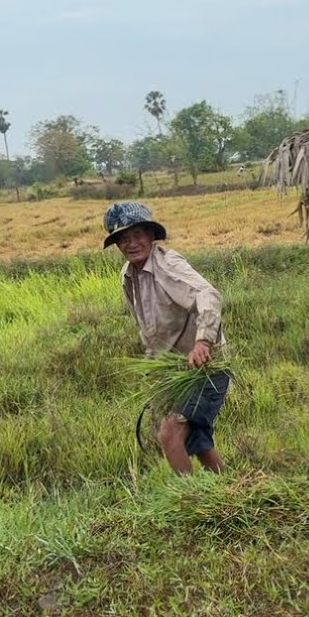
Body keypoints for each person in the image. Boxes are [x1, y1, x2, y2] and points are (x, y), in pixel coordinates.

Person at [103, 201, 228, 475]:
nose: (132, 243)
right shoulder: (129, 276)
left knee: (170, 436)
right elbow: (149, 329)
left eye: (137, 235)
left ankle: (194, 501)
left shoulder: (168, 265)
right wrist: (154, 370)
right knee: (198, 441)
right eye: (124, 238)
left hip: (206, 367)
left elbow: (209, 295)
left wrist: (202, 342)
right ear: (117, 245)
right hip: (175, 371)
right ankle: (227, 493)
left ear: (150, 235)